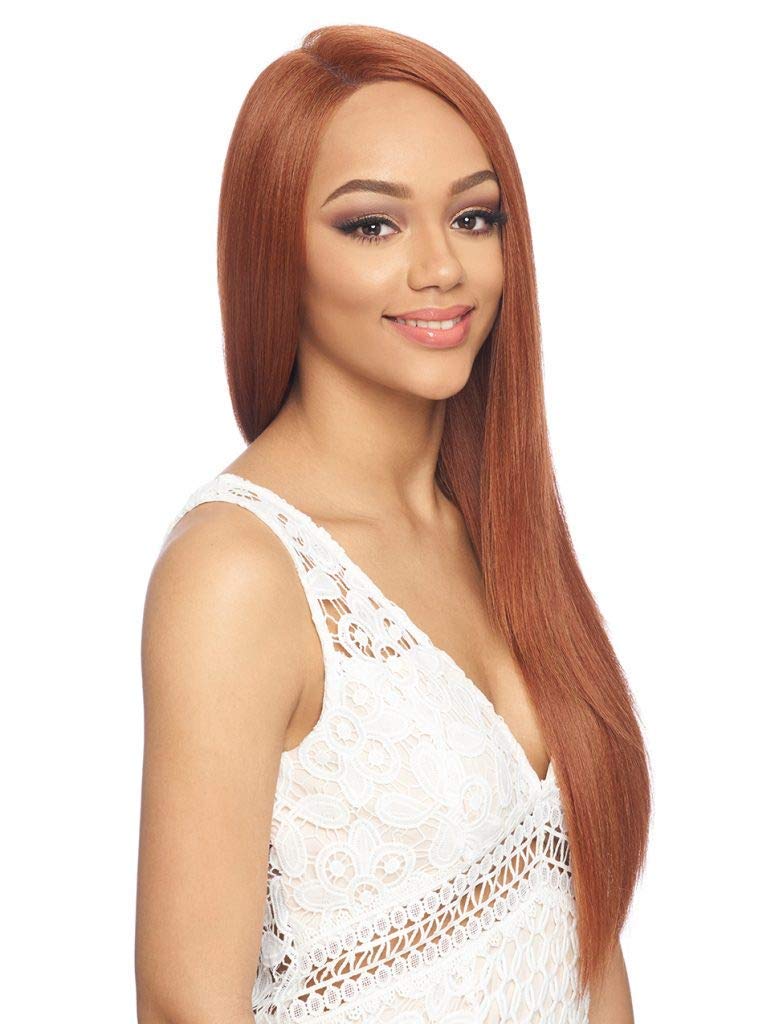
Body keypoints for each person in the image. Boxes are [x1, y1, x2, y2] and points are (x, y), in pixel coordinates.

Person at [135, 24, 651, 1024]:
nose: (441, 267)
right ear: (276, 250)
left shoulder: (498, 529)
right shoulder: (240, 571)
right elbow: (185, 1003)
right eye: (372, 225)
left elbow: (585, 942)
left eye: (473, 216)